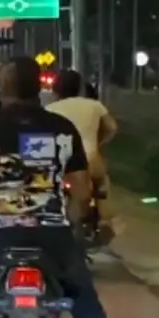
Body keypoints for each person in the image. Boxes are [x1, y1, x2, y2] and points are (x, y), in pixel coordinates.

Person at [0, 57, 117, 318]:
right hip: (53, 236)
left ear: (2, 86)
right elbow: (82, 192)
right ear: (38, 87)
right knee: (88, 309)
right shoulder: (62, 127)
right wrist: (68, 225)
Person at [46, 69, 118, 231]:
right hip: (91, 161)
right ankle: (104, 221)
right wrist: (99, 142)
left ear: (56, 89)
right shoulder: (95, 105)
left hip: (62, 164)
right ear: (80, 87)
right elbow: (112, 127)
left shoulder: (50, 109)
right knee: (102, 184)